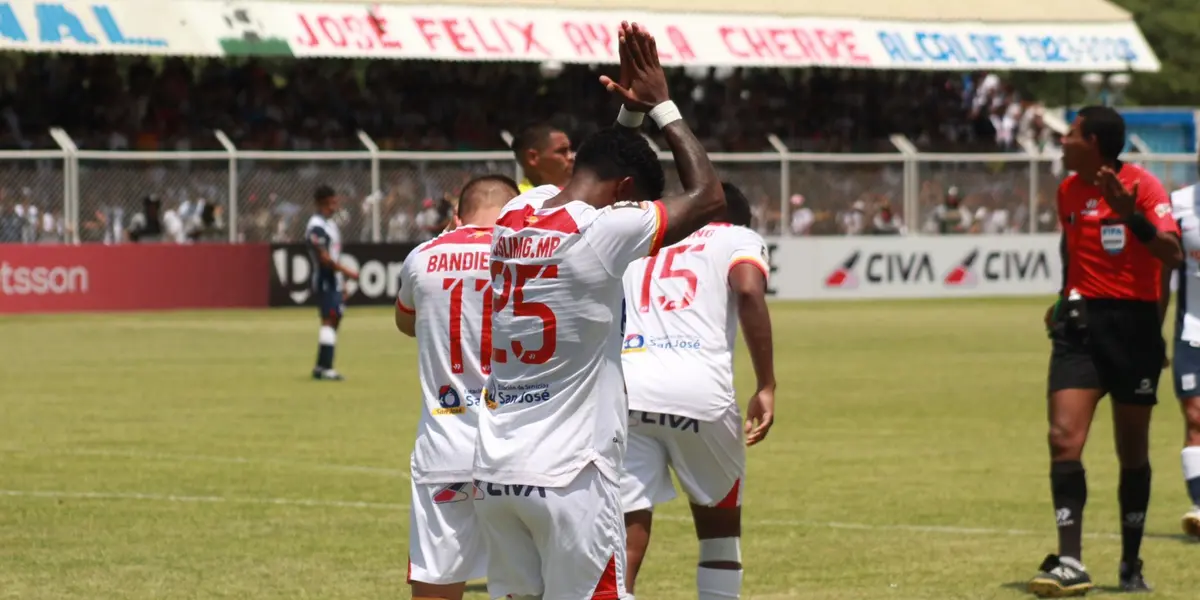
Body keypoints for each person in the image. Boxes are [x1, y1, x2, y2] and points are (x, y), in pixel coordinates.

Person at [472, 22, 726, 600]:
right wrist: (662, 105)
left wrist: (629, 116)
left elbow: (604, 161)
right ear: (628, 193)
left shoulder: (519, 213)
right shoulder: (603, 232)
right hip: (569, 476)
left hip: (497, 469)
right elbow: (709, 195)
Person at [1030, 105, 1182, 597]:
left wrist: (1129, 215)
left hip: (1133, 327)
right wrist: (1062, 295)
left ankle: (1130, 564)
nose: (1062, 140)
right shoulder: (1068, 189)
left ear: (1093, 142)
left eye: (1070, 134)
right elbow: (1070, 248)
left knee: (1132, 451)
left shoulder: (1145, 186)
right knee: (1062, 437)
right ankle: (1070, 560)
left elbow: (1171, 254)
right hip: (1080, 327)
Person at [619, 182, 775, 600]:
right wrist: (766, 384)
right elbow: (747, 289)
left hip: (627, 391)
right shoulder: (737, 237)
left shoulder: (643, 246)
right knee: (719, 531)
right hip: (698, 393)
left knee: (623, 535)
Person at [395, 175, 520, 600]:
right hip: (518, 445)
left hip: (445, 445)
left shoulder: (422, 256)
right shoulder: (531, 254)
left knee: (436, 578)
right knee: (526, 580)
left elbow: (407, 323)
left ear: (455, 214)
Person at [1167, 164, 1200, 540]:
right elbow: (1162, 270)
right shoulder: (1178, 206)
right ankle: (1199, 506)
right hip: (1192, 331)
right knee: (1195, 416)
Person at [306, 185, 359, 381]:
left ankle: (321, 366)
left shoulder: (330, 225)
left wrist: (342, 281)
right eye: (333, 201)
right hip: (324, 278)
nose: (336, 204)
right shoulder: (316, 226)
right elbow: (324, 258)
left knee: (335, 318)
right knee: (329, 319)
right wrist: (348, 272)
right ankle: (326, 367)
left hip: (333, 279)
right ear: (324, 202)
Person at [512, 122, 574, 192]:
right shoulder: (518, 200)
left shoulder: (579, 194)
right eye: (562, 151)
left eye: (570, 150)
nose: (571, 157)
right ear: (533, 157)